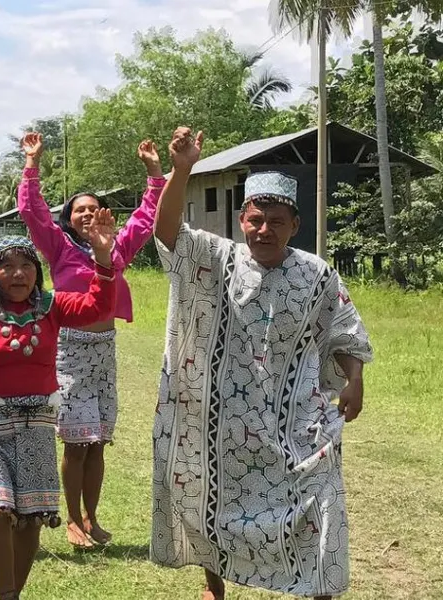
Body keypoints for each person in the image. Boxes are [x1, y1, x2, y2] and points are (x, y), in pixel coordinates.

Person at [151, 128, 373, 600]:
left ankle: (319, 586)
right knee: (214, 499)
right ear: (241, 220)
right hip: (224, 419)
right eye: (255, 220)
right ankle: (215, 585)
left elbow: (344, 329)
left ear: (295, 223)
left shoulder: (317, 274)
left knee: (321, 493)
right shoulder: (216, 258)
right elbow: (167, 232)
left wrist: (354, 379)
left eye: (275, 221)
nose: (263, 230)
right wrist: (182, 169)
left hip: (300, 417)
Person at [0, 224, 118, 600]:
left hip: (36, 423)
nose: (18, 273)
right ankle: (7, 594)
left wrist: (102, 258)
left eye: (26, 265)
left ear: (37, 270)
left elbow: (99, 307)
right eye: (6, 266)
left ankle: (13, 593)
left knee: (31, 516)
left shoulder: (52, 305)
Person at [17, 131, 166, 547]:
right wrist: (32, 163)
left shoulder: (116, 249)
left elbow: (146, 217)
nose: (87, 213)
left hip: (105, 353)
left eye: (93, 208)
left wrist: (154, 171)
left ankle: (91, 517)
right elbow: (33, 212)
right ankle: (70, 520)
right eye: (79, 210)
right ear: (69, 219)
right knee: (77, 444)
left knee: (98, 441)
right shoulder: (59, 248)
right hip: (69, 352)